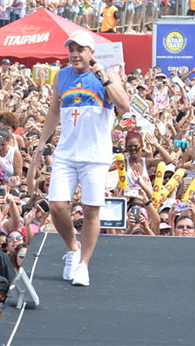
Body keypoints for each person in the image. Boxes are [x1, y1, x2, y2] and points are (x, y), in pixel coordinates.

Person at [33, 29, 129, 286]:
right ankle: (73, 250)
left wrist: (104, 78)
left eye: (80, 50)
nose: (74, 55)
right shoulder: (62, 76)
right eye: (71, 49)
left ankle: (84, 264)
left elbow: (124, 105)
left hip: (96, 155)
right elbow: (54, 111)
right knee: (56, 206)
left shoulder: (107, 74)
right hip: (66, 153)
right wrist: (43, 142)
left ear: (91, 52)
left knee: (90, 210)